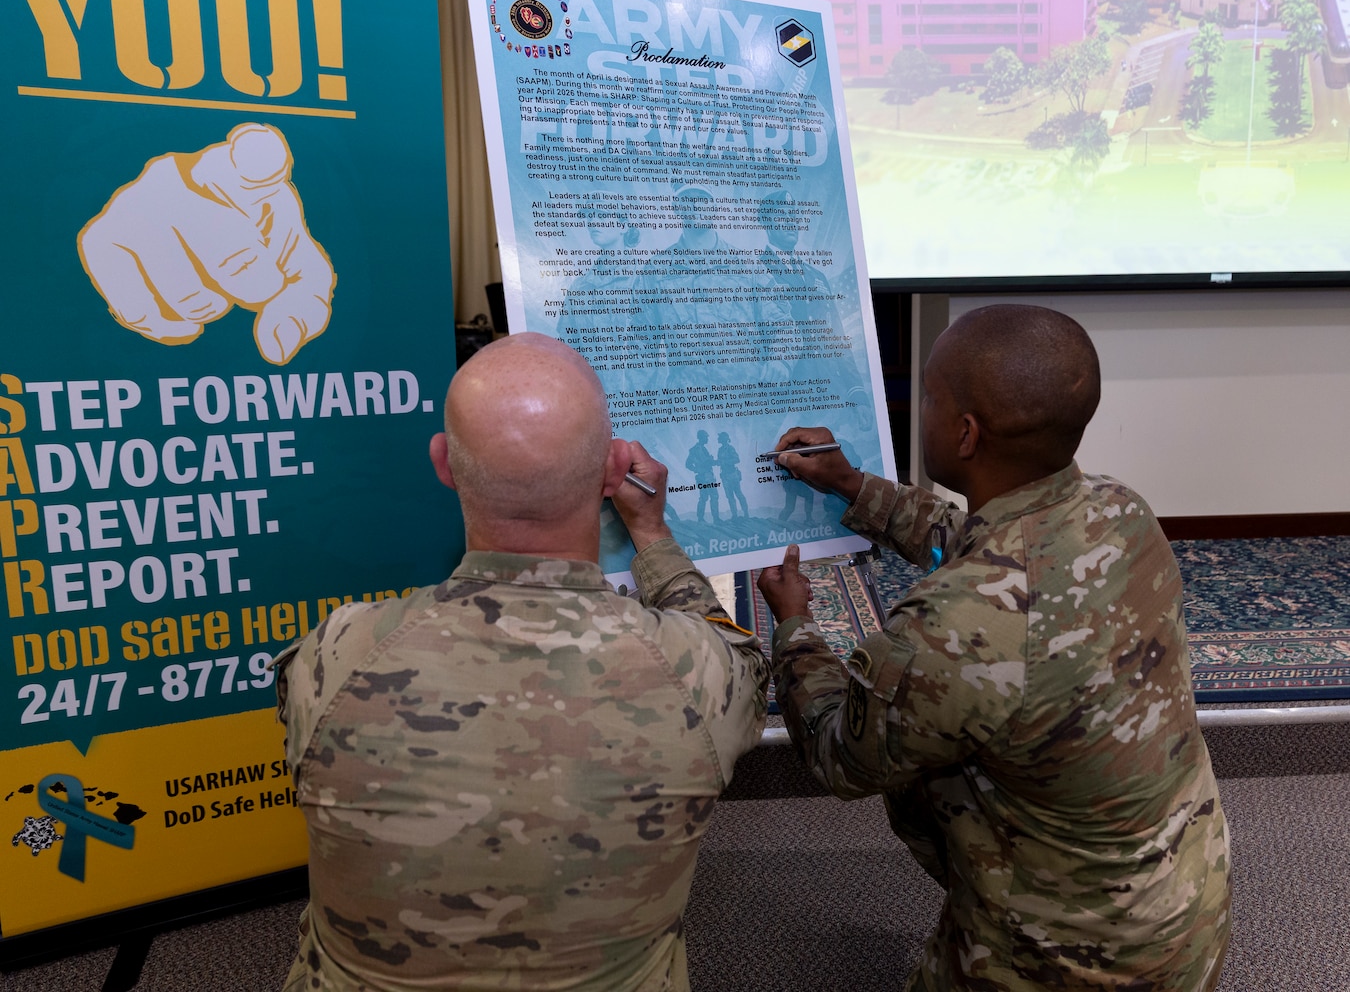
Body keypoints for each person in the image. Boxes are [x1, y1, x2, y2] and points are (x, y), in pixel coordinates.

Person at [273, 333, 769, 991]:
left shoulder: (335, 655)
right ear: (613, 471)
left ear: (444, 463)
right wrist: (653, 536)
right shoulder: (695, 672)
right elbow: (746, 666)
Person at [757, 304, 1231, 992]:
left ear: (965, 432)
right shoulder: (1120, 510)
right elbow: (975, 540)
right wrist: (853, 486)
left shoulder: (952, 627)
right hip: (1185, 907)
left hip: (1077, 962)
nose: (920, 408)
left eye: (928, 395)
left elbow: (838, 754)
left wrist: (795, 626)